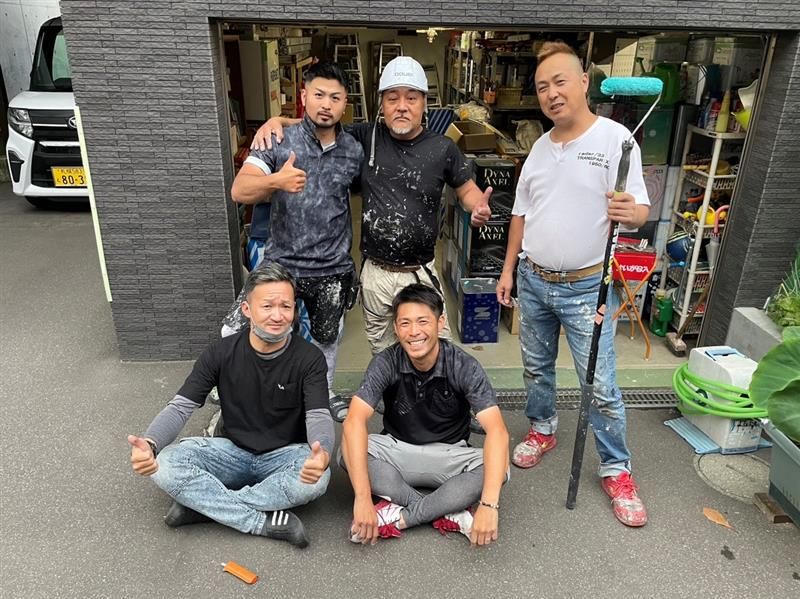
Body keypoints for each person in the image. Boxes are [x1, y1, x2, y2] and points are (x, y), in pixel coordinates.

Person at [496, 42, 650, 527]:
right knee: (536, 369)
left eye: (560, 82)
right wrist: (508, 270)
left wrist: (631, 213)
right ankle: (542, 429)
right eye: (543, 87)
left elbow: (641, 211)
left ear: (584, 82)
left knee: (599, 384)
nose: (552, 94)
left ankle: (616, 469)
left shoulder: (617, 141)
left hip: (587, 287)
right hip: (534, 279)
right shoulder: (539, 150)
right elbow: (520, 214)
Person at [253, 56, 493, 357]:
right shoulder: (365, 137)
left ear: (424, 103)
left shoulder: (443, 148)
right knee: (383, 353)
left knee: (433, 351)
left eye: (411, 98)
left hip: (419, 271)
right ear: (382, 105)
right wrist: (278, 121)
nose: (401, 106)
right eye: (392, 98)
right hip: (376, 273)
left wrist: (477, 207)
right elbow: (322, 122)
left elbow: (466, 189)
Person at [128, 264, 334, 548]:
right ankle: (259, 522)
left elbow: (318, 415)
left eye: (286, 306)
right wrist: (150, 444)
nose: (278, 315)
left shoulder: (309, 358)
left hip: (284, 455)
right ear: (247, 309)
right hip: (230, 451)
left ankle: (203, 506)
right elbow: (181, 407)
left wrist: (322, 453)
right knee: (165, 463)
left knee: (318, 478)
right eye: (267, 306)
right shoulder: (220, 353)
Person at [223, 61, 364, 422]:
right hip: (282, 264)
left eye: (335, 97)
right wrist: (276, 182)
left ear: (345, 104)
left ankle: (322, 396)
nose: (326, 104)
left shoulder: (354, 149)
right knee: (237, 328)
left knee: (326, 341)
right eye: (318, 95)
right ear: (304, 96)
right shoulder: (277, 141)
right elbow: (239, 190)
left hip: (332, 267)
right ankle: (241, 391)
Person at [340, 284, 509, 546]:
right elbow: (354, 422)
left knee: (499, 466)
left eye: (423, 321)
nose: (414, 332)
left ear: (440, 323)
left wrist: (489, 506)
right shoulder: (386, 361)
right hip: (397, 449)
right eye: (405, 323)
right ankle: (446, 511)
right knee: (347, 449)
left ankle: (400, 517)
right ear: (396, 328)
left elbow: (497, 431)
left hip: (450, 454)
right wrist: (361, 499)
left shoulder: (464, 365)